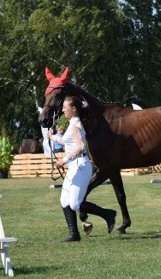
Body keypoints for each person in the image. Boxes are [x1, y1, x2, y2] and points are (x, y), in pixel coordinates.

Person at [47, 96, 115, 242]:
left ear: (74, 109)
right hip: (75, 166)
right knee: (64, 201)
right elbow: (67, 141)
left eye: (65, 108)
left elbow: (80, 146)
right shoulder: (72, 123)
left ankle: (108, 214)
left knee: (75, 203)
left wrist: (64, 160)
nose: (63, 110)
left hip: (80, 165)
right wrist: (52, 137)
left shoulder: (75, 125)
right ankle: (74, 234)